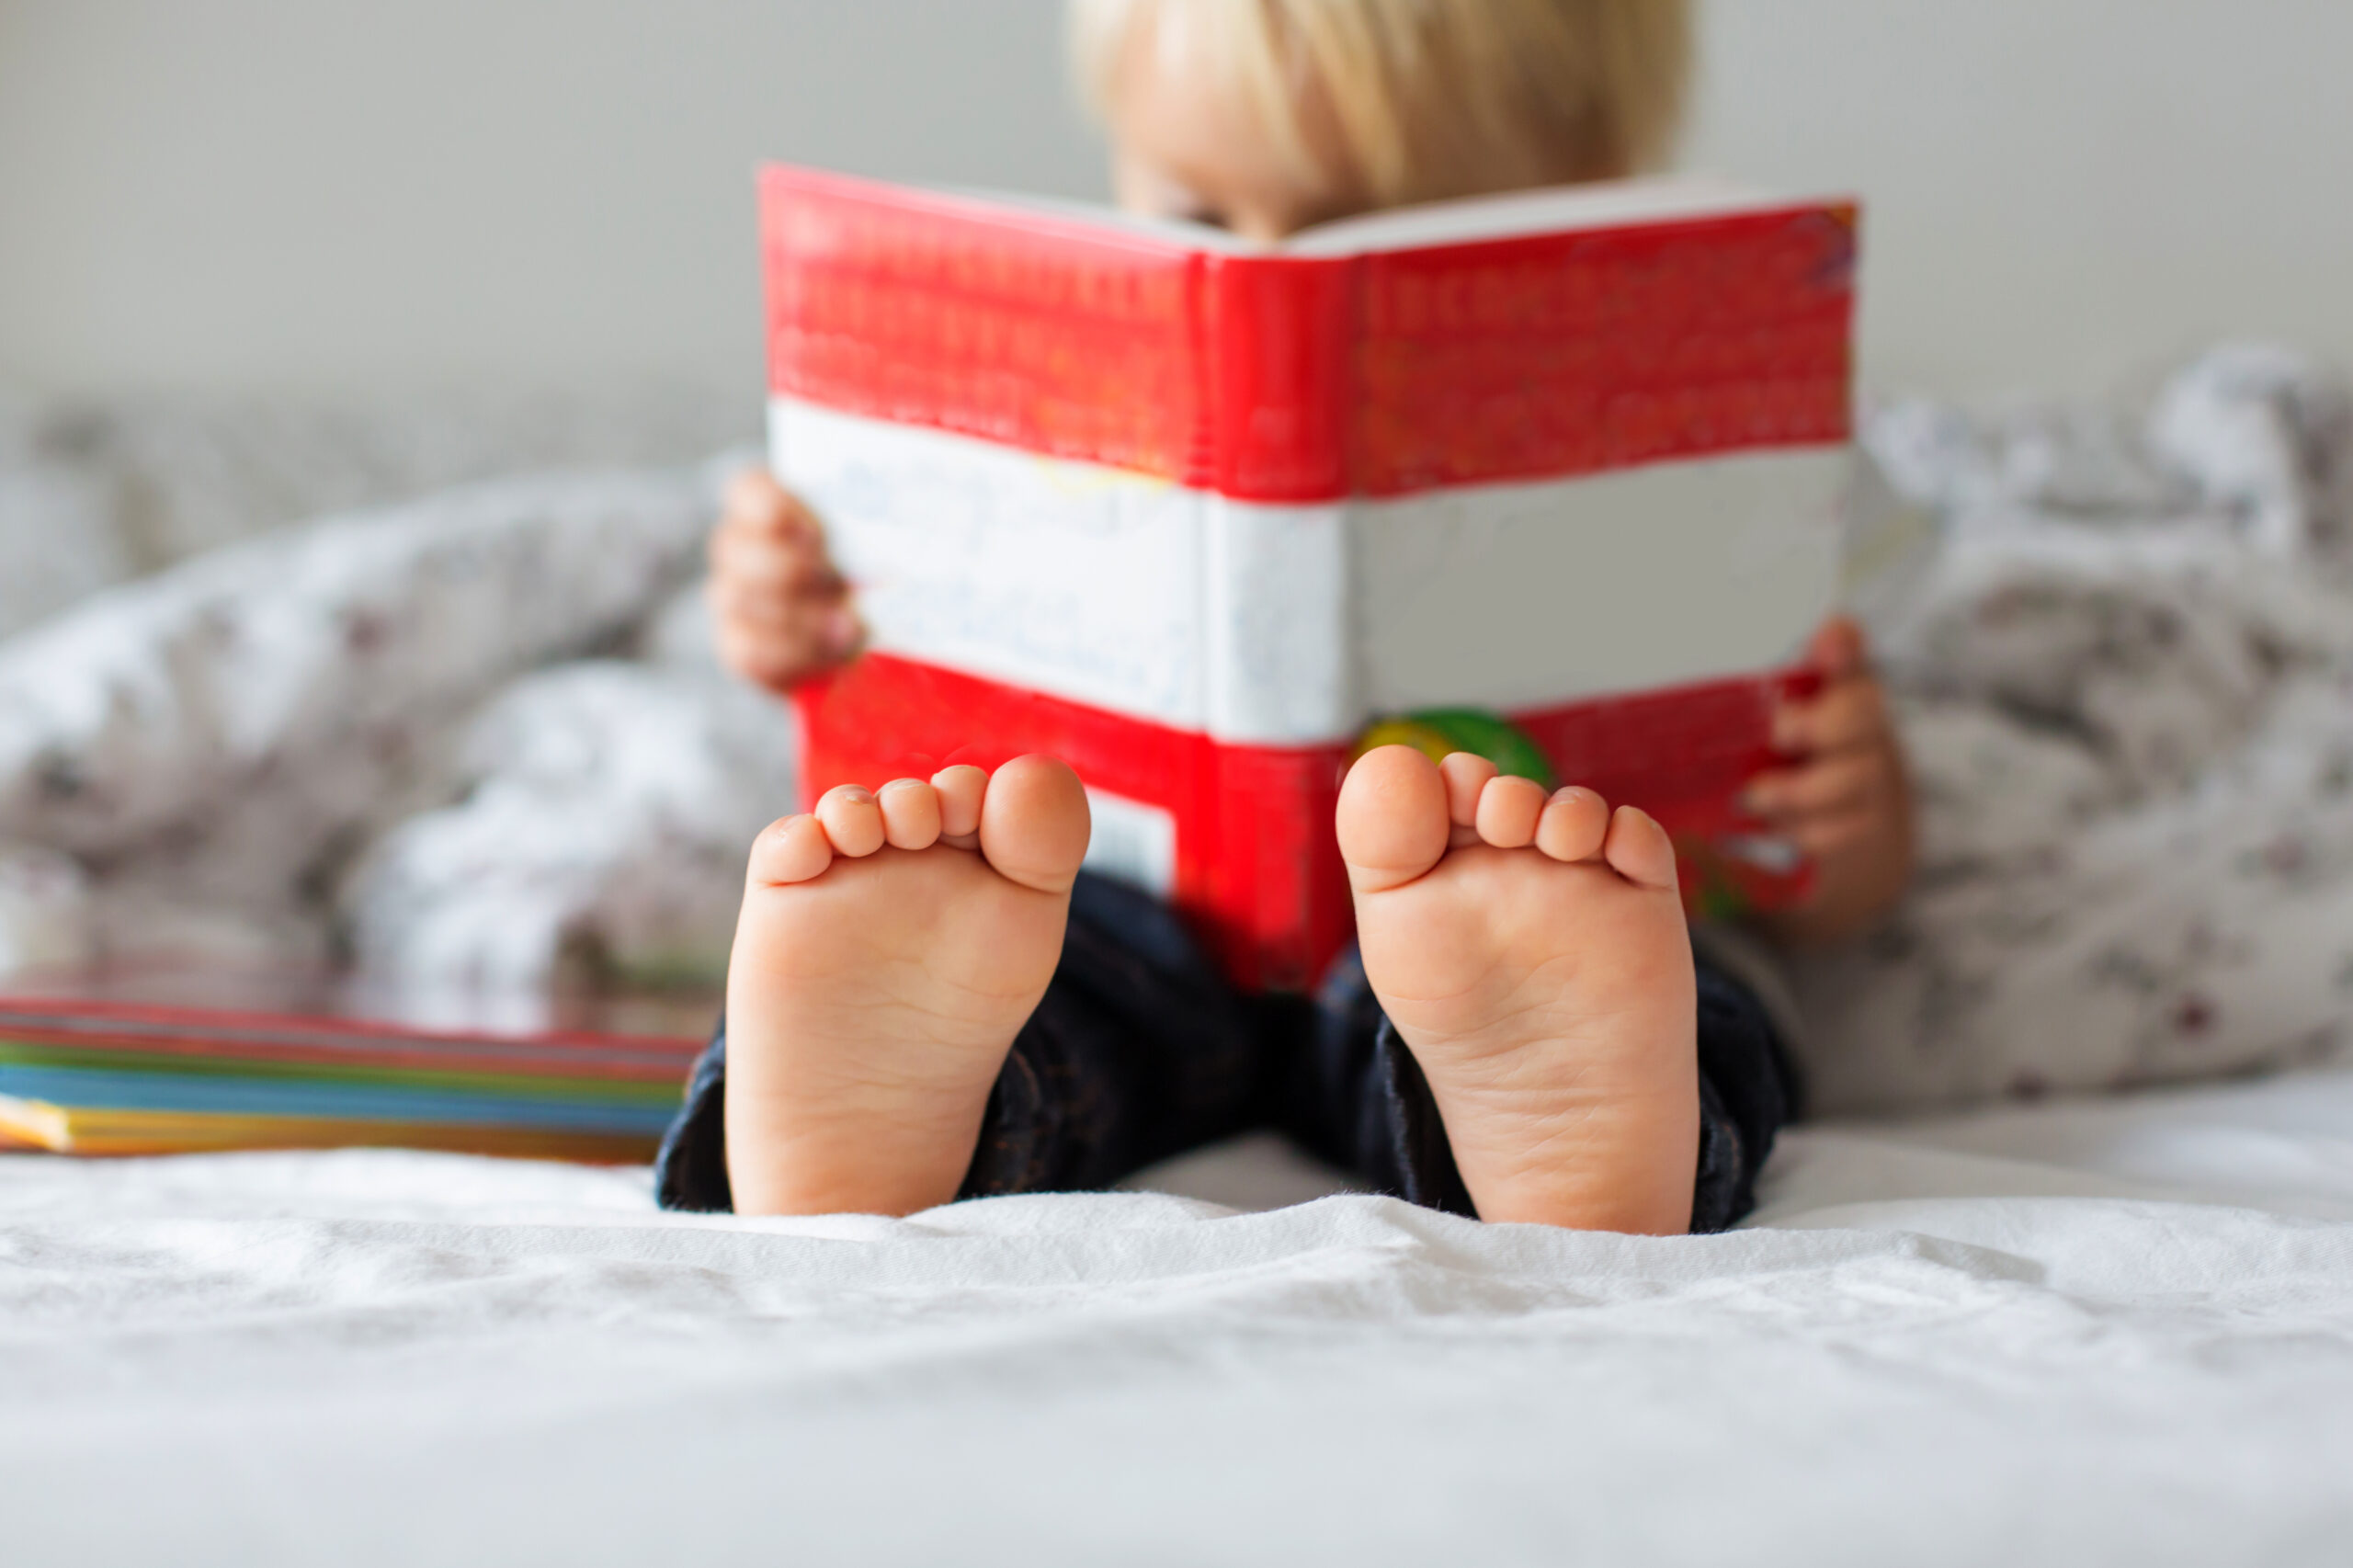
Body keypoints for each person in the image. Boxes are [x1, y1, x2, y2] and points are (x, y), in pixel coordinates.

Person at [658, 0, 1915, 1233]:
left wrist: (1850, 824)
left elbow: (1828, 860)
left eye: (1360, 235)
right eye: (1203, 216)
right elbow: (850, 623)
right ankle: (885, 1106)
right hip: (1119, 896)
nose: (1265, 270)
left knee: (1642, 969)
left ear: (1584, 189)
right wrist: (783, 613)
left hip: (1498, 915)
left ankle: (1571, 1114)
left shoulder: (1771, 463)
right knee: (1031, 972)